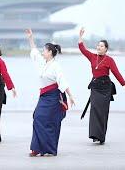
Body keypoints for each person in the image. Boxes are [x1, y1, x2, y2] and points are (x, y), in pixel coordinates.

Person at [25, 28, 75, 156]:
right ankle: (37, 148)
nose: (42, 52)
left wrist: (70, 96)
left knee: (49, 121)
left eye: (44, 50)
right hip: (43, 96)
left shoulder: (56, 66)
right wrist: (30, 38)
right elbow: (34, 52)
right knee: (37, 117)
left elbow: (63, 81)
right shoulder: (43, 63)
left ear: (50, 52)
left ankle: (47, 149)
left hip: (54, 97)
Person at [78, 28, 125, 144]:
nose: (99, 47)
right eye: (98, 46)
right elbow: (82, 49)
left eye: (101, 46)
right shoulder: (92, 56)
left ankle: (101, 136)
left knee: (103, 111)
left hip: (105, 87)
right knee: (94, 110)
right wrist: (80, 37)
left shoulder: (109, 60)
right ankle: (94, 135)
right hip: (95, 87)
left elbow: (116, 73)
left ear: (106, 49)